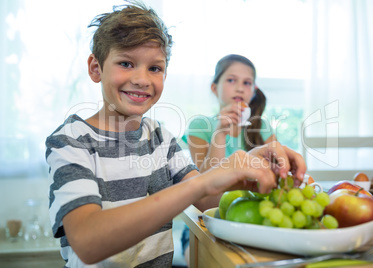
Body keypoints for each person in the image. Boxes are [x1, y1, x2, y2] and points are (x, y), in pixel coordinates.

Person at [45, 3, 306, 268]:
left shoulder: (162, 138)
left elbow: (204, 200)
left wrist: (246, 170)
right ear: (95, 68)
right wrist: (203, 183)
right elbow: (88, 242)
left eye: (154, 68)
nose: (141, 79)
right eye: (126, 63)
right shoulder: (70, 141)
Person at [181, 54, 293, 262]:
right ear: (215, 88)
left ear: (254, 91)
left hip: (254, 224)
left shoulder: (262, 128)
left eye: (247, 82)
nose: (240, 88)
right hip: (205, 227)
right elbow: (204, 198)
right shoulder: (200, 126)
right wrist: (220, 133)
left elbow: (278, 177)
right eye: (231, 80)